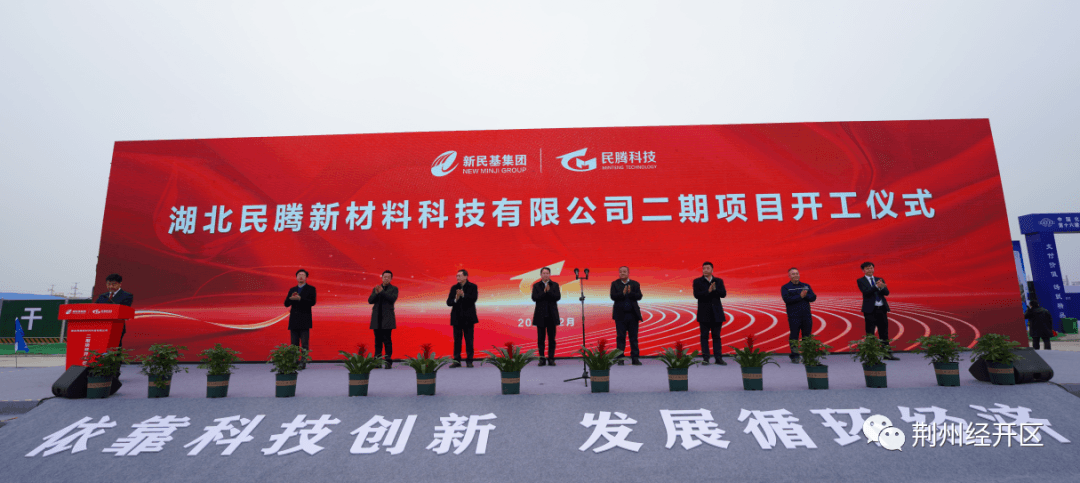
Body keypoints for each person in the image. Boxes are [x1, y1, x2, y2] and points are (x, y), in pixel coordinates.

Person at [858, 262, 898, 360]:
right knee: (870, 333)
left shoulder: (879, 279)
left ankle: (886, 354)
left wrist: (882, 287)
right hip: (870, 310)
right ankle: (871, 355)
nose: (870, 270)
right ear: (863, 270)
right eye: (867, 268)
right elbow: (866, 292)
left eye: (871, 268)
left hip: (882, 309)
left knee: (884, 332)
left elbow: (887, 293)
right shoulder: (861, 281)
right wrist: (876, 287)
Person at [692, 261, 727, 365]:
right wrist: (708, 291)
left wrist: (715, 290)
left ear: (712, 270)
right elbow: (697, 295)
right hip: (704, 314)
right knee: (704, 337)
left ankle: (718, 358)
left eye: (707, 268)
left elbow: (723, 294)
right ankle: (705, 358)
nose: (705, 270)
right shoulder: (697, 281)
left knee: (716, 336)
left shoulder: (718, 281)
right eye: (704, 268)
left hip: (717, 314)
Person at [781, 267, 817, 363]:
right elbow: (787, 300)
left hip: (806, 315)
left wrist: (805, 295)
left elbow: (813, 297)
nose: (796, 275)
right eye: (793, 274)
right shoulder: (785, 287)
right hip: (794, 316)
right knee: (794, 336)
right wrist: (800, 296)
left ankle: (807, 355)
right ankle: (795, 356)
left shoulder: (806, 286)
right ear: (789, 276)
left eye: (797, 273)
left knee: (807, 336)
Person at [609, 266, 643, 365]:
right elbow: (613, 296)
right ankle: (620, 359)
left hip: (633, 316)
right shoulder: (615, 284)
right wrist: (622, 293)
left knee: (634, 338)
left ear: (628, 273)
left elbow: (639, 296)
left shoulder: (635, 284)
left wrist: (630, 293)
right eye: (620, 272)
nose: (622, 273)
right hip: (620, 316)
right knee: (620, 337)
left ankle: (635, 359)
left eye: (624, 271)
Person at [284, 269, 317, 368]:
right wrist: (291, 299)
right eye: (299, 275)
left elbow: (312, 302)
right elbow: (286, 304)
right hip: (294, 320)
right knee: (294, 343)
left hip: (305, 320)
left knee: (304, 343)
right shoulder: (292, 289)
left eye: (303, 275)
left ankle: (303, 362)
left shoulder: (311, 289)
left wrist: (300, 299)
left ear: (306, 277)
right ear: (296, 277)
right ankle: (294, 361)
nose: (301, 277)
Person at [446, 269, 479, 368]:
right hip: (457, 318)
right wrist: (456, 298)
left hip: (469, 318)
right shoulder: (454, 288)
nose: (457, 278)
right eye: (457, 276)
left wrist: (463, 295)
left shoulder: (473, 287)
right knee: (457, 341)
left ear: (465, 276)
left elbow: (473, 299)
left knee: (469, 340)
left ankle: (469, 361)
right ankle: (457, 361)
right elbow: (448, 302)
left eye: (459, 276)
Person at [368, 270, 398, 368]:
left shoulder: (394, 289)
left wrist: (382, 292)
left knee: (387, 341)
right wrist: (376, 293)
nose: (386, 279)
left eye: (388, 277)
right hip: (377, 319)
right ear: (382, 277)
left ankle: (388, 362)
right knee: (377, 342)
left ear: (391, 278)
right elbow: (370, 301)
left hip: (387, 319)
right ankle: (377, 362)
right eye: (384, 277)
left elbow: (392, 299)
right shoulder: (376, 288)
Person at [531, 267, 561, 366]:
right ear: (541, 275)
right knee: (541, 339)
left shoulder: (555, 285)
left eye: (547, 273)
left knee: (552, 339)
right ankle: (542, 359)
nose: (545, 275)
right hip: (540, 316)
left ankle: (551, 359)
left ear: (550, 274)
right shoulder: (536, 285)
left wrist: (549, 291)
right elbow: (534, 298)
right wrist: (544, 292)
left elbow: (557, 297)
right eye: (543, 273)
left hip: (552, 315)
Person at [95, 273, 133, 347]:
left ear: (120, 284)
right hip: (101, 327)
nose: (110, 286)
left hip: (117, 327)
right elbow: (95, 309)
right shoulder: (102, 296)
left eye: (113, 284)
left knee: (115, 349)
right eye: (108, 284)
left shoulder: (127, 296)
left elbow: (124, 310)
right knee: (101, 348)